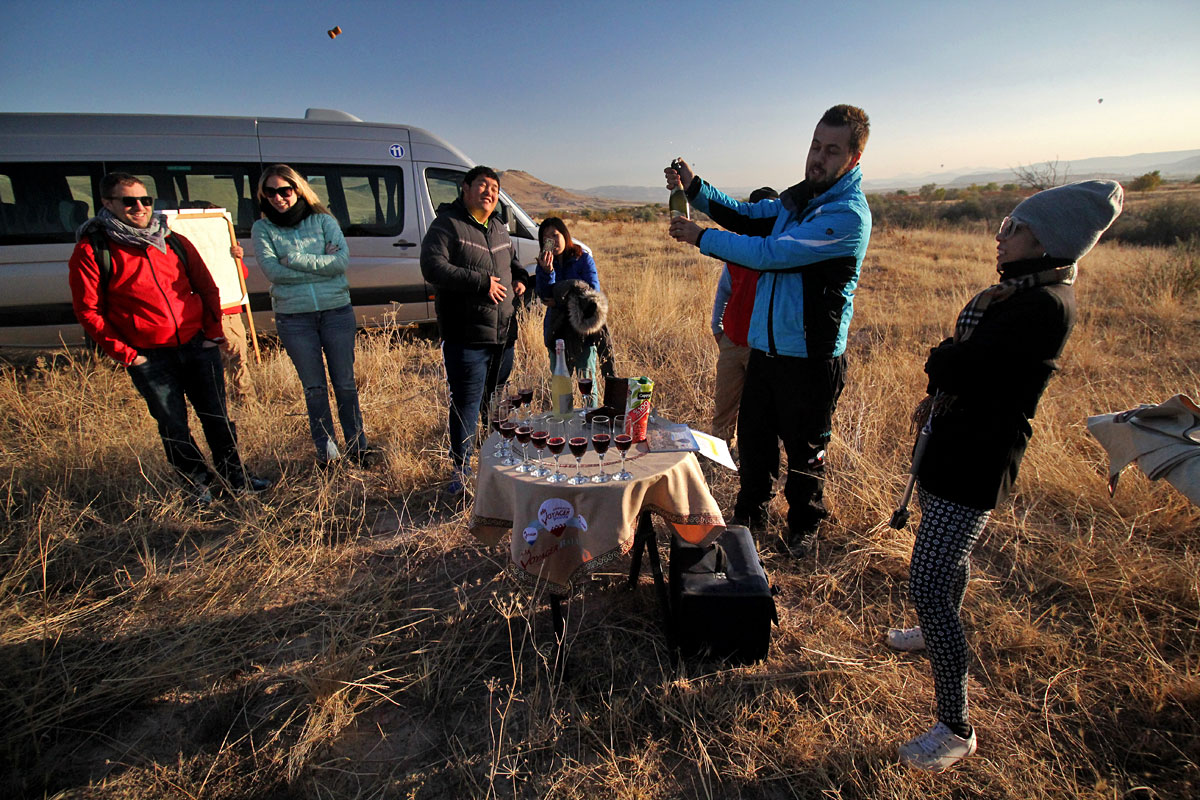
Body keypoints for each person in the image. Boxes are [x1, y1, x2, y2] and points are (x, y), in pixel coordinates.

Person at [887, 180, 1124, 772]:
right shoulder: (1022, 296)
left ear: (1048, 238)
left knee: (929, 583)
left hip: (977, 458)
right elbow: (960, 364)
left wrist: (944, 358)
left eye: (1013, 227)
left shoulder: (1039, 307)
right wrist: (950, 362)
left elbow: (953, 364)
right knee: (946, 563)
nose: (1001, 235)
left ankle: (955, 726)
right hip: (961, 448)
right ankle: (930, 632)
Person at [667, 105, 871, 557]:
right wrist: (695, 188)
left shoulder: (847, 217)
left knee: (805, 452)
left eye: (831, 150)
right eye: (815, 145)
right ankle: (751, 515)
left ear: (854, 159)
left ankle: (803, 524)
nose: (817, 157)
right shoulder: (795, 203)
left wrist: (699, 236)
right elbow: (743, 214)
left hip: (811, 361)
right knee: (756, 445)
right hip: (764, 351)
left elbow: (769, 253)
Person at [68, 172, 270, 505]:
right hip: (149, 354)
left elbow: (206, 287)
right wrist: (128, 354)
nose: (139, 207)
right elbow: (89, 311)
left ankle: (237, 477)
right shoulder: (94, 250)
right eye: (128, 201)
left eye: (145, 200)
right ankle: (197, 484)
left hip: (196, 344)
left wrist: (213, 333)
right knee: (173, 424)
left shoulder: (173, 241)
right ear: (107, 204)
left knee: (217, 416)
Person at [251, 164, 377, 469]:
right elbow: (273, 272)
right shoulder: (262, 229)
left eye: (285, 190)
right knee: (315, 389)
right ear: (262, 195)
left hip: (335, 310)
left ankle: (358, 447)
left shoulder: (323, 221)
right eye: (271, 192)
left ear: (297, 190)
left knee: (345, 384)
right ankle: (328, 452)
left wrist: (294, 259)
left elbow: (341, 263)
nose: (279, 197)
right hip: (294, 318)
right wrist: (321, 262)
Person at [420, 166, 527, 494]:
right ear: (465, 188)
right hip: (466, 334)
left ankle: (494, 458)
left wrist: (521, 280)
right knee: (466, 401)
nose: (489, 192)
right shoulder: (447, 225)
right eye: (483, 185)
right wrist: (480, 283)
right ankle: (461, 470)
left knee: (494, 399)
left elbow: (512, 262)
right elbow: (432, 266)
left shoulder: (498, 227)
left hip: (502, 332)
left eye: (494, 187)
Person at [709, 187, 778, 449]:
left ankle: (751, 456)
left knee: (757, 408)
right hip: (732, 340)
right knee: (724, 404)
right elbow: (724, 291)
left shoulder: (780, 254)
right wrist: (717, 326)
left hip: (761, 347)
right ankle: (720, 456)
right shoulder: (737, 253)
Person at [536, 216, 614, 378]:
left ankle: (589, 405)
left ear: (565, 235)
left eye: (555, 235)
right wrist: (548, 272)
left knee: (586, 381)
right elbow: (544, 297)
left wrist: (559, 301)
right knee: (560, 382)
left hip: (582, 328)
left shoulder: (583, 259)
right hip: (557, 329)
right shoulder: (544, 264)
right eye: (546, 238)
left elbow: (592, 294)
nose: (552, 241)